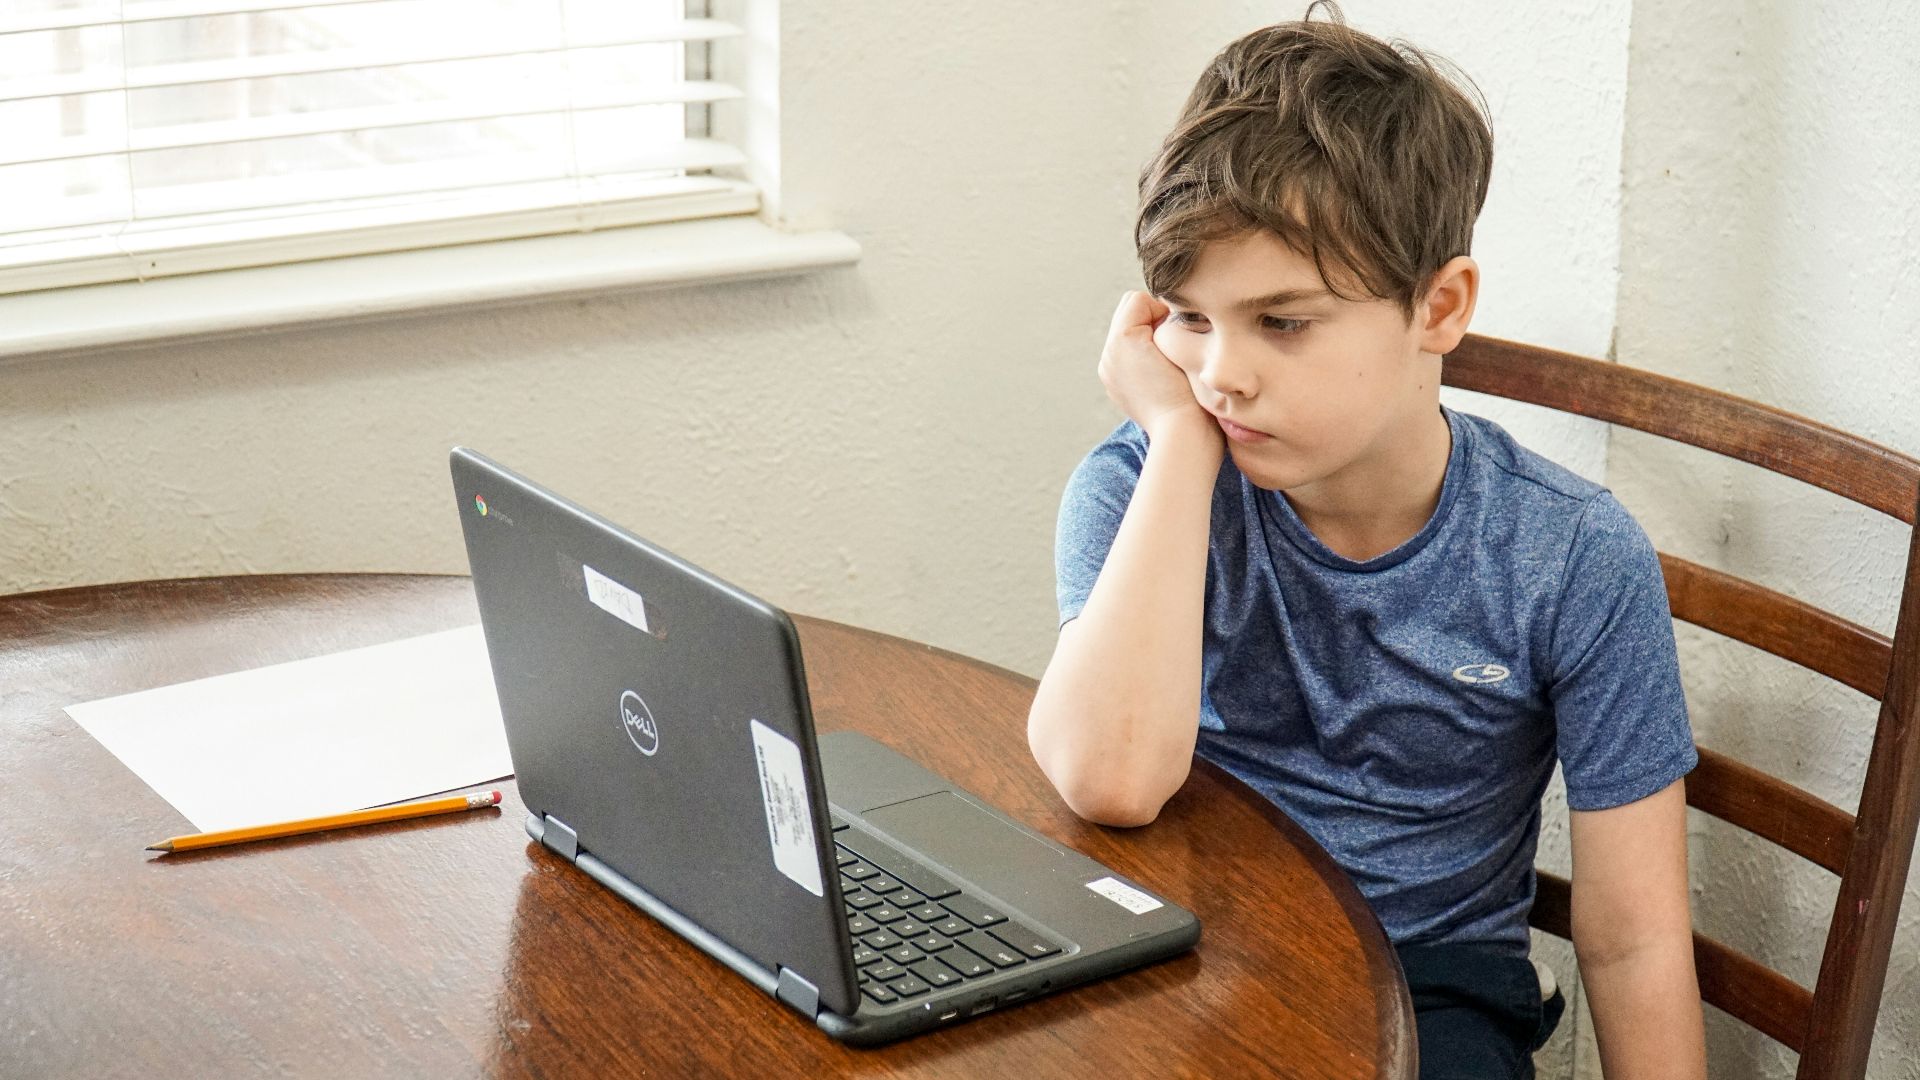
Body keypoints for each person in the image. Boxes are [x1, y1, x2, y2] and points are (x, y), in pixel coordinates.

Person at [1027, 7, 1706, 1078]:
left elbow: (1635, 941)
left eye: (1282, 322)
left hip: (1426, 992)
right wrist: (1175, 450)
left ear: (1439, 306)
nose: (1220, 375)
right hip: (1178, 959)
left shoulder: (1572, 558)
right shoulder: (1140, 484)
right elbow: (1108, 780)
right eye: (1189, 318)